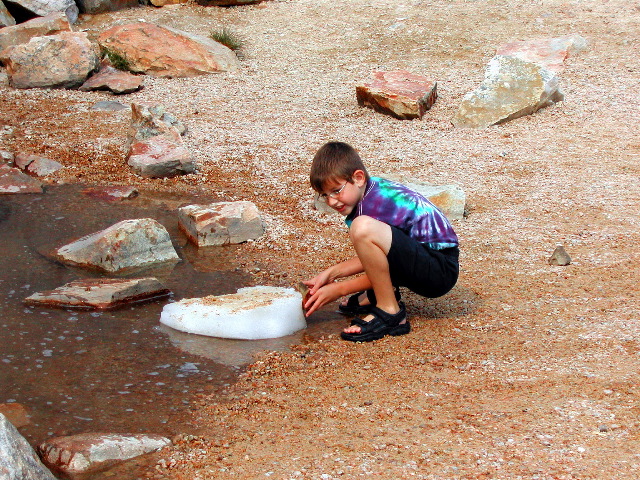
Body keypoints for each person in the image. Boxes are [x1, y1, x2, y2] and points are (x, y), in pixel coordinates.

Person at [302, 141, 459, 342]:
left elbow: (392, 264)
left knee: (362, 228)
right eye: (325, 195)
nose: (332, 201)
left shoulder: (375, 207)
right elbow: (385, 254)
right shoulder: (371, 190)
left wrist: (339, 289)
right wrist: (331, 274)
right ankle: (381, 293)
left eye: (336, 190)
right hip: (427, 259)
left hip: (439, 271)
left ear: (358, 178)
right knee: (364, 230)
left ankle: (390, 312)